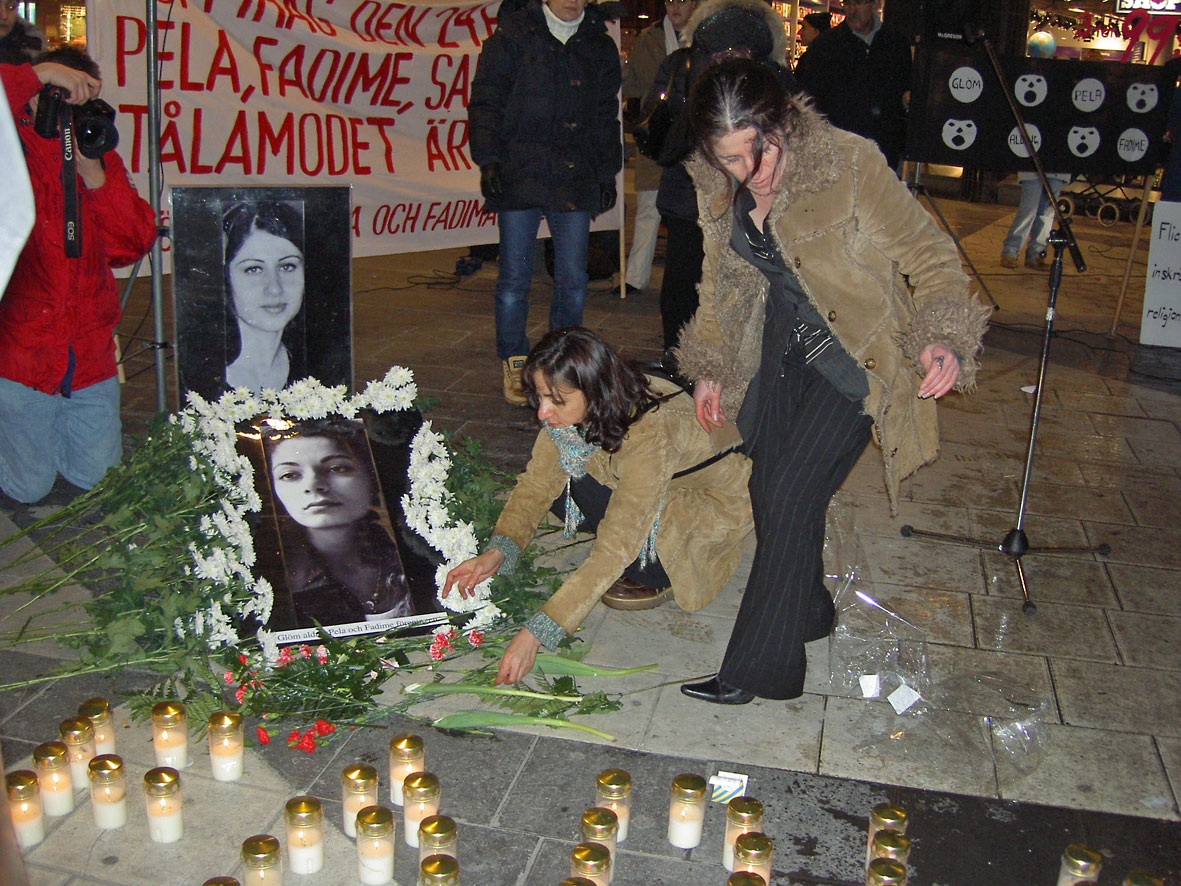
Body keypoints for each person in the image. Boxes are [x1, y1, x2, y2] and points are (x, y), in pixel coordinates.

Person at [675, 59, 989, 705]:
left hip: (856, 358)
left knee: (790, 493)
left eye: (759, 150)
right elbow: (720, 283)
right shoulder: (716, 185)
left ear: (782, 120)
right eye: (729, 158)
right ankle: (810, 610)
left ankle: (761, 671)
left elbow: (930, 255)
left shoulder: (848, 163)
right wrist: (711, 366)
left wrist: (940, 335)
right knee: (769, 489)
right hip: (776, 353)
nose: (749, 172)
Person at [442, 327, 754, 685]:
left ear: (593, 391)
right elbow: (536, 485)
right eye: (539, 397)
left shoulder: (648, 434)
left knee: (630, 553)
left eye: (556, 400)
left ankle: (663, 569)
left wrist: (536, 633)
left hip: (708, 507)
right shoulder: (580, 409)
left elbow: (615, 547)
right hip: (648, 480)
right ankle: (619, 517)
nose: (543, 412)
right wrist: (497, 551)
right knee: (560, 481)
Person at [0, 48, 156, 504]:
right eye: (60, 95)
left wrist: (96, 176)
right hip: (22, 351)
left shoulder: (95, 153)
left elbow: (132, 244)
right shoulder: (9, 144)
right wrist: (38, 73)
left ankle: (40, 433)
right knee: (28, 488)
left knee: (96, 479)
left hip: (88, 353)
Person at [468, 0, 622, 407]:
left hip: (574, 173)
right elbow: (486, 102)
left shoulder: (598, 43)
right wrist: (489, 159)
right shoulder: (512, 36)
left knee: (572, 278)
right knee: (514, 277)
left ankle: (562, 361)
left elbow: (606, 114)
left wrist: (606, 171)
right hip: (521, 170)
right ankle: (514, 358)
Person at [640, 0, 793, 369]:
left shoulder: (772, 75)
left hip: (752, 201)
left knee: (741, 290)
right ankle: (680, 363)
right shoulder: (684, 66)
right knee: (685, 287)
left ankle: (731, 367)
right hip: (690, 199)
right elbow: (660, 139)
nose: (733, 53)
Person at [265, 419, 415, 628]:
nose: (314, 486)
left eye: (337, 468)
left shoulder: (408, 552)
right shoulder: (279, 586)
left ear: (370, 475)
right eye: (290, 475)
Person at [621, 0, 696, 294]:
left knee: (689, 213)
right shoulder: (649, 39)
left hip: (691, 136)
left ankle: (687, 280)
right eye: (670, 0)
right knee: (648, 205)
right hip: (658, 133)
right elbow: (634, 86)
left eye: (682, 1)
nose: (674, 7)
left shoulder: (703, 35)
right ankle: (635, 276)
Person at [794, 0, 912, 171]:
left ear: (875, 5)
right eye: (847, 3)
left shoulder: (896, 44)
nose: (851, 10)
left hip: (884, 151)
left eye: (858, 3)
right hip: (840, 151)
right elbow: (810, 100)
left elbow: (904, 88)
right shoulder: (826, 46)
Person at [222, 201, 306, 393]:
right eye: (253, 269)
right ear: (226, 277)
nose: (274, 289)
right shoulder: (205, 383)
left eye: (287, 266)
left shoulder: (313, 371)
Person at [1000, 171, 1071, 270]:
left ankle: (1036, 255)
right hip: (1032, 169)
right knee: (1028, 210)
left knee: (1047, 213)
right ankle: (1010, 252)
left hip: (1057, 171)